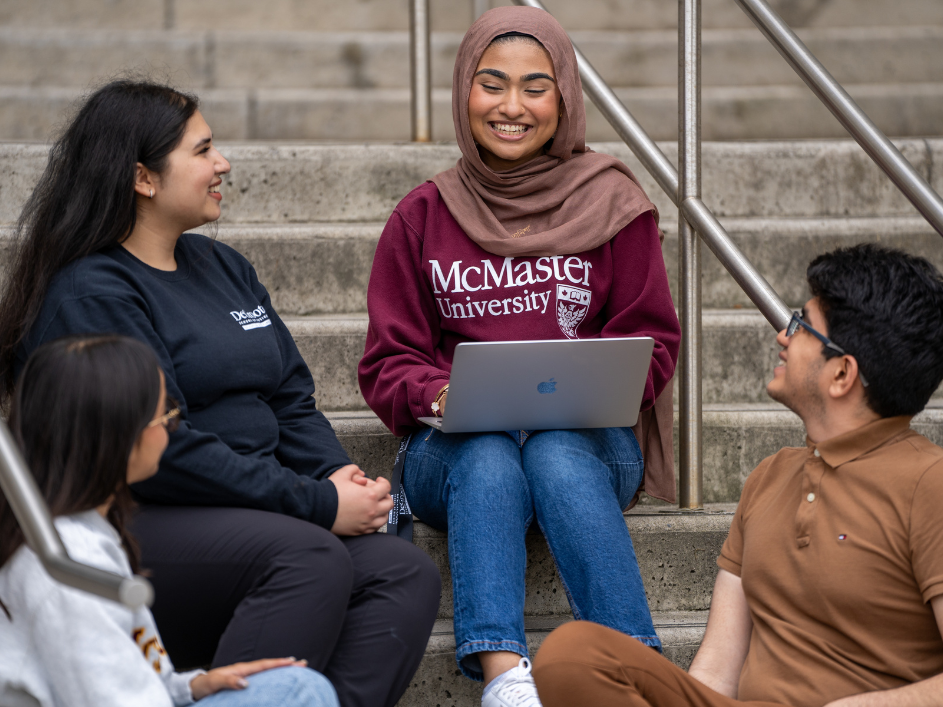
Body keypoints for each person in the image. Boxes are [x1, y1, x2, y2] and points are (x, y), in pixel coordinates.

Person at [0, 80, 440, 707]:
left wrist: (337, 473)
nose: (223, 164)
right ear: (143, 178)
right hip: (143, 515)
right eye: (203, 150)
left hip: (257, 509)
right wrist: (315, 502)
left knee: (401, 573)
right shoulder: (93, 292)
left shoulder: (225, 268)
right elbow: (161, 446)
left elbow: (289, 398)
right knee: (309, 556)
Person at [357, 7, 681, 707]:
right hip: (456, 449)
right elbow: (387, 360)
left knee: (557, 449)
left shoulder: (615, 203)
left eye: (535, 87)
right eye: (491, 84)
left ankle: (632, 668)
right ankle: (505, 677)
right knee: (489, 451)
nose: (511, 107)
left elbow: (653, 340)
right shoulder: (423, 215)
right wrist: (441, 393)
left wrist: (599, 385)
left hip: (591, 444)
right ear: (461, 92)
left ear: (564, 96)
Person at [531, 244, 943, 707]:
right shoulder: (771, 476)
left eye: (802, 325)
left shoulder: (929, 485)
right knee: (574, 654)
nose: (782, 336)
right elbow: (718, 668)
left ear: (842, 374)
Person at [0, 334, 339, 707]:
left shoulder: (84, 532)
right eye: (166, 412)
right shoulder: (71, 570)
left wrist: (192, 686)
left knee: (293, 683)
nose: (172, 425)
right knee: (300, 691)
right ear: (119, 435)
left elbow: (134, 673)